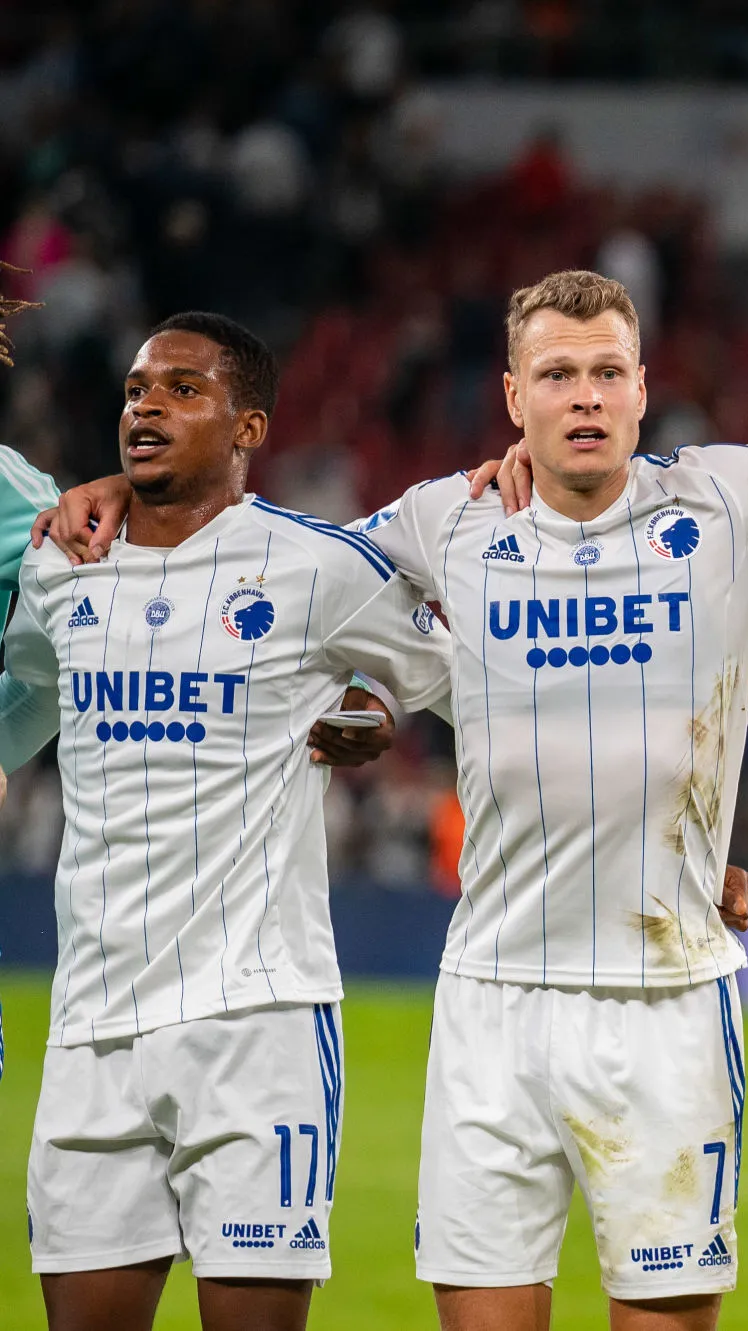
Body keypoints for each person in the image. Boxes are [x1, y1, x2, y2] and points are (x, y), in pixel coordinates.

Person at [42, 267, 748, 1331]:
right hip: (491, 1001)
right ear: (512, 398)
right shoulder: (443, 520)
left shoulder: (730, 498)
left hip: (666, 997)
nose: (583, 396)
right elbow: (266, 567)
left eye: (605, 372)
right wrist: (123, 496)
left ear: (641, 388)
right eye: (556, 375)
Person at [4, 312, 452, 1330]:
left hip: (256, 1021)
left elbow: (454, 670)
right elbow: (30, 679)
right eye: (135, 389)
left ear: (248, 427)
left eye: (183, 388)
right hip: (90, 1026)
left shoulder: (314, 566)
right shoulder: (62, 567)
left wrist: (380, 704)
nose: (146, 406)